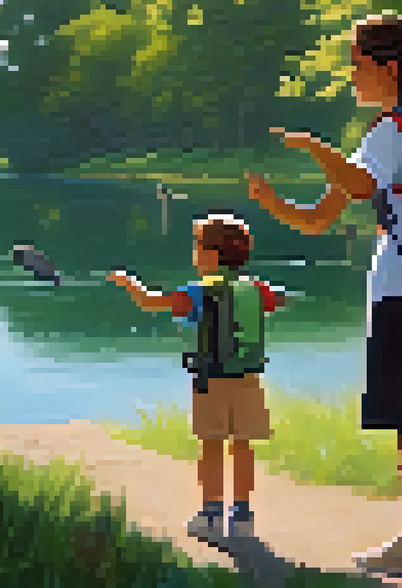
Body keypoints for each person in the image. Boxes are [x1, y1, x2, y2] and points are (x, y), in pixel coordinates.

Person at [247, 13, 402, 579]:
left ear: (386, 68)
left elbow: (358, 187)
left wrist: (318, 149)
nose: (351, 76)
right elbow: (322, 219)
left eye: (356, 64)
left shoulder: (391, 130)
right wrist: (272, 204)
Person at [108, 214, 285, 543]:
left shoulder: (198, 292)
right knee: (243, 445)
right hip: (249, 379)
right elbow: (278, 299)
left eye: (198, 245)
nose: (194, 252)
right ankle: (243, 514)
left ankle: (211, 513)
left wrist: (128, 282)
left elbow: (152, 303)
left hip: (211, 381)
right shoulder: (258, 289)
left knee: (212, 444)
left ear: (211, 253)